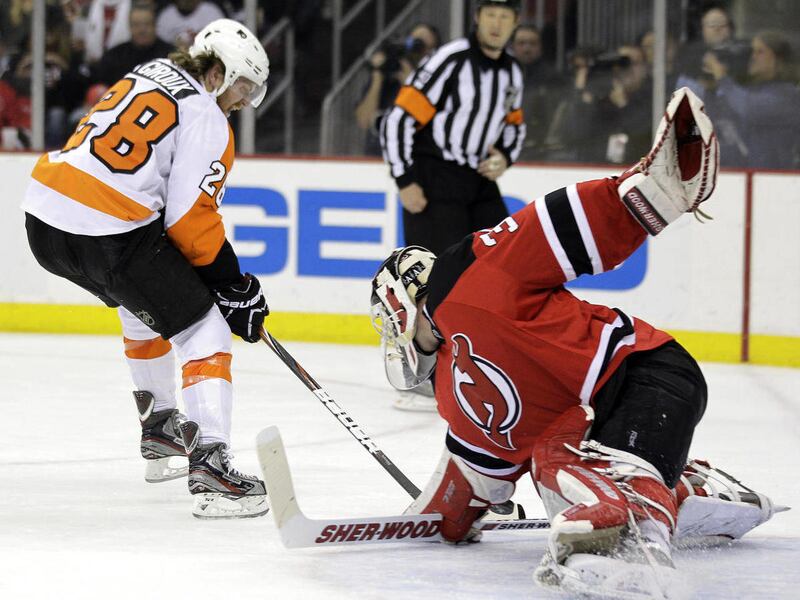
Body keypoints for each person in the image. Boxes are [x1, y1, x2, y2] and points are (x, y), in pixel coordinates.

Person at [369, 88, 784, 596]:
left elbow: (545, 230)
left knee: (560, 463)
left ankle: (631, 539)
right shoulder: (459, 396)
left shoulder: (466, 277)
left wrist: (648, 193)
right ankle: (682, 490)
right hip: (602, 419)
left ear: (400, 306)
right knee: (555, 461)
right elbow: (462, 496)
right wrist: (432, 520)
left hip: (646, 375)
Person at [21, 19, 271, 519]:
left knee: (144, 307)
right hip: (107, 228)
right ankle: (213, 467)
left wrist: (218, 278)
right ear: (218, 71)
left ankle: (161, 434)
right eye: (243, 85)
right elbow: (189, 217)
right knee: (206, 332)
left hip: (45, 218)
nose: (245, 100)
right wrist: (233, 287)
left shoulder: (149, 71)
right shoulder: (207, 115)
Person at [379, 0, 525, 257]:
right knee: (439, 276)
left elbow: (514, 126)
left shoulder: (512, 70)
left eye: (504, 16)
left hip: (479, 180)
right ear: (478, 16)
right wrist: (405, 180)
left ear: (515, 22)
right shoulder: (451, 60)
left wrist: (504, 156)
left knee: (507, 261)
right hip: (434, 177)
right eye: (491, 14)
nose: (496, 23)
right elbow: (399, 119)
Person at [702, 30, 800, 169]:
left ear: (777, 59)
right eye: (752, 51)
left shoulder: (789, 95)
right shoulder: (748, 91)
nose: (753, 57)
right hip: (745, 176)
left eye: (760, 52)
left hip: (777, 179)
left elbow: (749, 109)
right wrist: (711, 90)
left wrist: (723, 78)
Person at [355, 22, 440, 156]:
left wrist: (410, 82)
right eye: (414, 41)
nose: (415, 49)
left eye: (422, 45)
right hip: (376, 158)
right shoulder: (387, 74)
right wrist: (377, 75)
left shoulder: (436, 81)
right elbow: (364, 121)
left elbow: (430, 123)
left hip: (415, 158)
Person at [509, 24, 561, 161]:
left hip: (541, 148)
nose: (527, 48)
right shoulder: (503, 74)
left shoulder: (552, 77)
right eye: (521, 43)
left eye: (532, 43)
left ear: (540, 47)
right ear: (512, 46)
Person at [94, 1, 175, 86]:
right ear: (130, 27)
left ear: (155, 26)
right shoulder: (114, 56)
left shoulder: (170, 56)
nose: (142, 30)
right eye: (136, 25)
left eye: (147, 24)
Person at [156, 0, 225, 50]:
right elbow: (161, 44)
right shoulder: (166, 15)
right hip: (174, 55)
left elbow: (221, 39)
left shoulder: (211, 11)